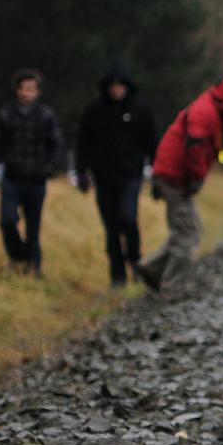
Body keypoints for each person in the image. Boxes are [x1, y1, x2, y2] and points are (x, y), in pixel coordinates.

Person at [138, 75, 223, 292]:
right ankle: (171, 286)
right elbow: (194, 149)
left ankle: (152, 269)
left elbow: (209, 149)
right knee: (188, 233)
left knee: (187, 228)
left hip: (174, 176)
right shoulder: (204, 112)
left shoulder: (214, 111)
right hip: (174, 178)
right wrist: (196, 178)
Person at [73, 65, 159, 287]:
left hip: (130, 174)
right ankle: (117, 275)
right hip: (102, 175)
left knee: (128, 217)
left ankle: (135, 260)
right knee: (111, 225)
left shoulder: (140, 110)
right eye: (113, 86)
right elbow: (82, 142)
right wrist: (81, 172)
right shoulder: (95, 110)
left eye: (120, 86)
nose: (117, 90)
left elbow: (152, 143)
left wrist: (158, 174)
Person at [0, 68, 64, 277]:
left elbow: (56, 145)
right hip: (12, 177)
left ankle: (34, 266)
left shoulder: (46, 117)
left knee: (33, 227)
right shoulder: (6, 115)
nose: (27, 92)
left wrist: (50, 167)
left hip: (36, 179)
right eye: (24, 88)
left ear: (37, 92)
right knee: (7, 221)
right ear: (17, 91)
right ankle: (18, 256)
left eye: (31, 88)